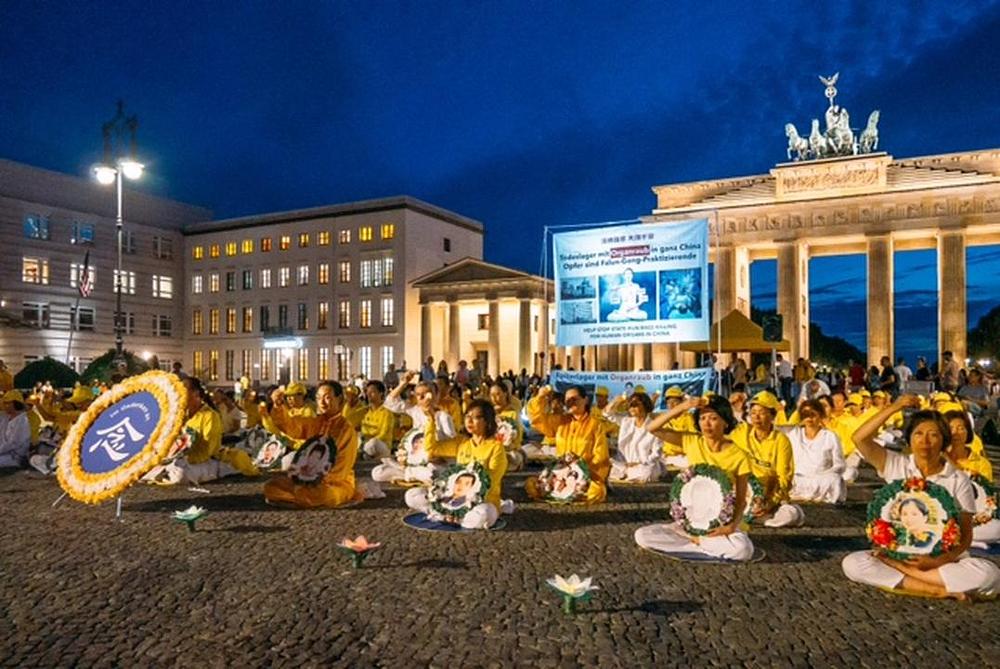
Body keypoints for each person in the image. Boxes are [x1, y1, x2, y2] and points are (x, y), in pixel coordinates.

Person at [842, 395, 1000, 599]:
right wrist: (895, 406)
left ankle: (904, 575)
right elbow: (859, 438)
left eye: (933, 435)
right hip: (899, 551)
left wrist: (937, 561)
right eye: (918, 434)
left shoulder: (957, 479)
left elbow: (966, 536)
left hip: (943, 559)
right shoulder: (896, 464)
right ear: (909, 439)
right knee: (853, 563)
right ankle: (935, 589)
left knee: (988, 575)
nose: (925, 441)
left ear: (944, 441)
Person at [638, 395, 754, 561]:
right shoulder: (691, 441)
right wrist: (684, 406)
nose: (707, 424)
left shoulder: (739, 455)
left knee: (743, 550)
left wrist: (730, 527)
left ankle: (697, 543)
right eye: (702, 418)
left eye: (713, 418)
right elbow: (652, 428)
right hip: (693, 521)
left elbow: (742, 500)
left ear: (726, 422)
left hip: (722, 524)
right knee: (642, 535)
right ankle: (699, 543)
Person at [404, 399, 508, 529]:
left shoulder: (496, 447)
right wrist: (431, 421)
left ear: (487, 422)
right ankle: (447, 515)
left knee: (485, 514)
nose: (469, 421)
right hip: (453, 498)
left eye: (476, 418)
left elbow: (490, 482)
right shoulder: (462, 443)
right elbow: (431, 450)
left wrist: (464, 503)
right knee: (412, 495)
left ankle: (451, 517)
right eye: (468, 417)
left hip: (481, 502)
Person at [262, 381, 362, 509]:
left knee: (326, 495)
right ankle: (301, 495)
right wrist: (278, 405)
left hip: (335, 483)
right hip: (306, 479)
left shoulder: (346, 429)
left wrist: (316, 480)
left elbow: (342, 467)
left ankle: (299, 496)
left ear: (339, 399)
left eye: (327, 398)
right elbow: (293, 427)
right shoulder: (316, 422)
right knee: (270, 486)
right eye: (319, 398)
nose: (322, 402)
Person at [149, 377, 259, 485]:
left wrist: (184, 459)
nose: (179, 394)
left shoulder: (210, 416)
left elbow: (206, 452)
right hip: (181, 460)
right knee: (151, 465)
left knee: (180, 474)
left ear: (196, 394)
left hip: (206, 461)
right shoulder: (181, 416)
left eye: (183, 391)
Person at [526, 385, 610, 503]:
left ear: (585, 400)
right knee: (531, 484)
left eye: (574, 399)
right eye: (567, 400)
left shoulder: (595, 425)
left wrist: (584, 474)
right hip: (560, 474)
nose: (570, 402)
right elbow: (537, 419)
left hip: (583, 477)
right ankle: (562, 492)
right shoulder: (560, 421)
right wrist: (540, 396)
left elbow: (601, 457)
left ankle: (569, 493)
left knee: (597, 491)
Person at [730, 391, 802, 527]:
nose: (756, 417)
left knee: (789, 513)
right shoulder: (741, 433)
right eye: (753, 412)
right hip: (744, 494)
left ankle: (763, 517)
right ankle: (752, 517)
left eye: (762, 412)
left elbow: (784, 478)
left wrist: (769, 502)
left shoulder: (781, 440)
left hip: (771, 498)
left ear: (772, 415)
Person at [942, 410, 999, 547]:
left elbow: (986, 498)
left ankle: (963, 539)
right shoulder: (935, 458)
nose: (956, 432)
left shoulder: (981, 463)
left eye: (961, 428)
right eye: (951, 428)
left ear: (968, 432)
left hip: (970, 517)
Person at [786, 399, 846, 504]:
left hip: (822, 478)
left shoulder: (830, 436)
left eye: (813, 414)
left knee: (835, 479)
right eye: (806, 414)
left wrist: (823, 474)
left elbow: (840, 464)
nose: (809, 418)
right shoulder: (793, 435)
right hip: (798, 478)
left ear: (820, 415)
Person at [603, 391, 663, 483]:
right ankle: (626, 473)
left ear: (645, 406)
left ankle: (626, 474)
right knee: (607, 464)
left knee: (647, 472)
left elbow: (656, 454)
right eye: (630, 405)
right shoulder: (626, 421)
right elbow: (607, 414)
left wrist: (639, 463)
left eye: (635, 404)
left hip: (644, 465)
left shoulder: (654, 425)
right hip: (624, 464)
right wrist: (618, 400)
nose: (632, 408)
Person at [359, 380, 397, 458]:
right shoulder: (367, 412)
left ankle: (363, 453)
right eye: (367, 392)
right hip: (367, 444)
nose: (368, 395)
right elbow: (364, 430)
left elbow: (383, 434)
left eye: (372, 392)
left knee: (373, 442)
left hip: (382, 446)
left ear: (381, 393)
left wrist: (368, 440)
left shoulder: (386, 412)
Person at [0, 390, 31, 468]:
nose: (4, 405)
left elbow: (13, 443)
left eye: (7, 403)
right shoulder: (5, 417)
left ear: (16, 404)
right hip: (3, 452)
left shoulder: (23, 420)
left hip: (14, 456)